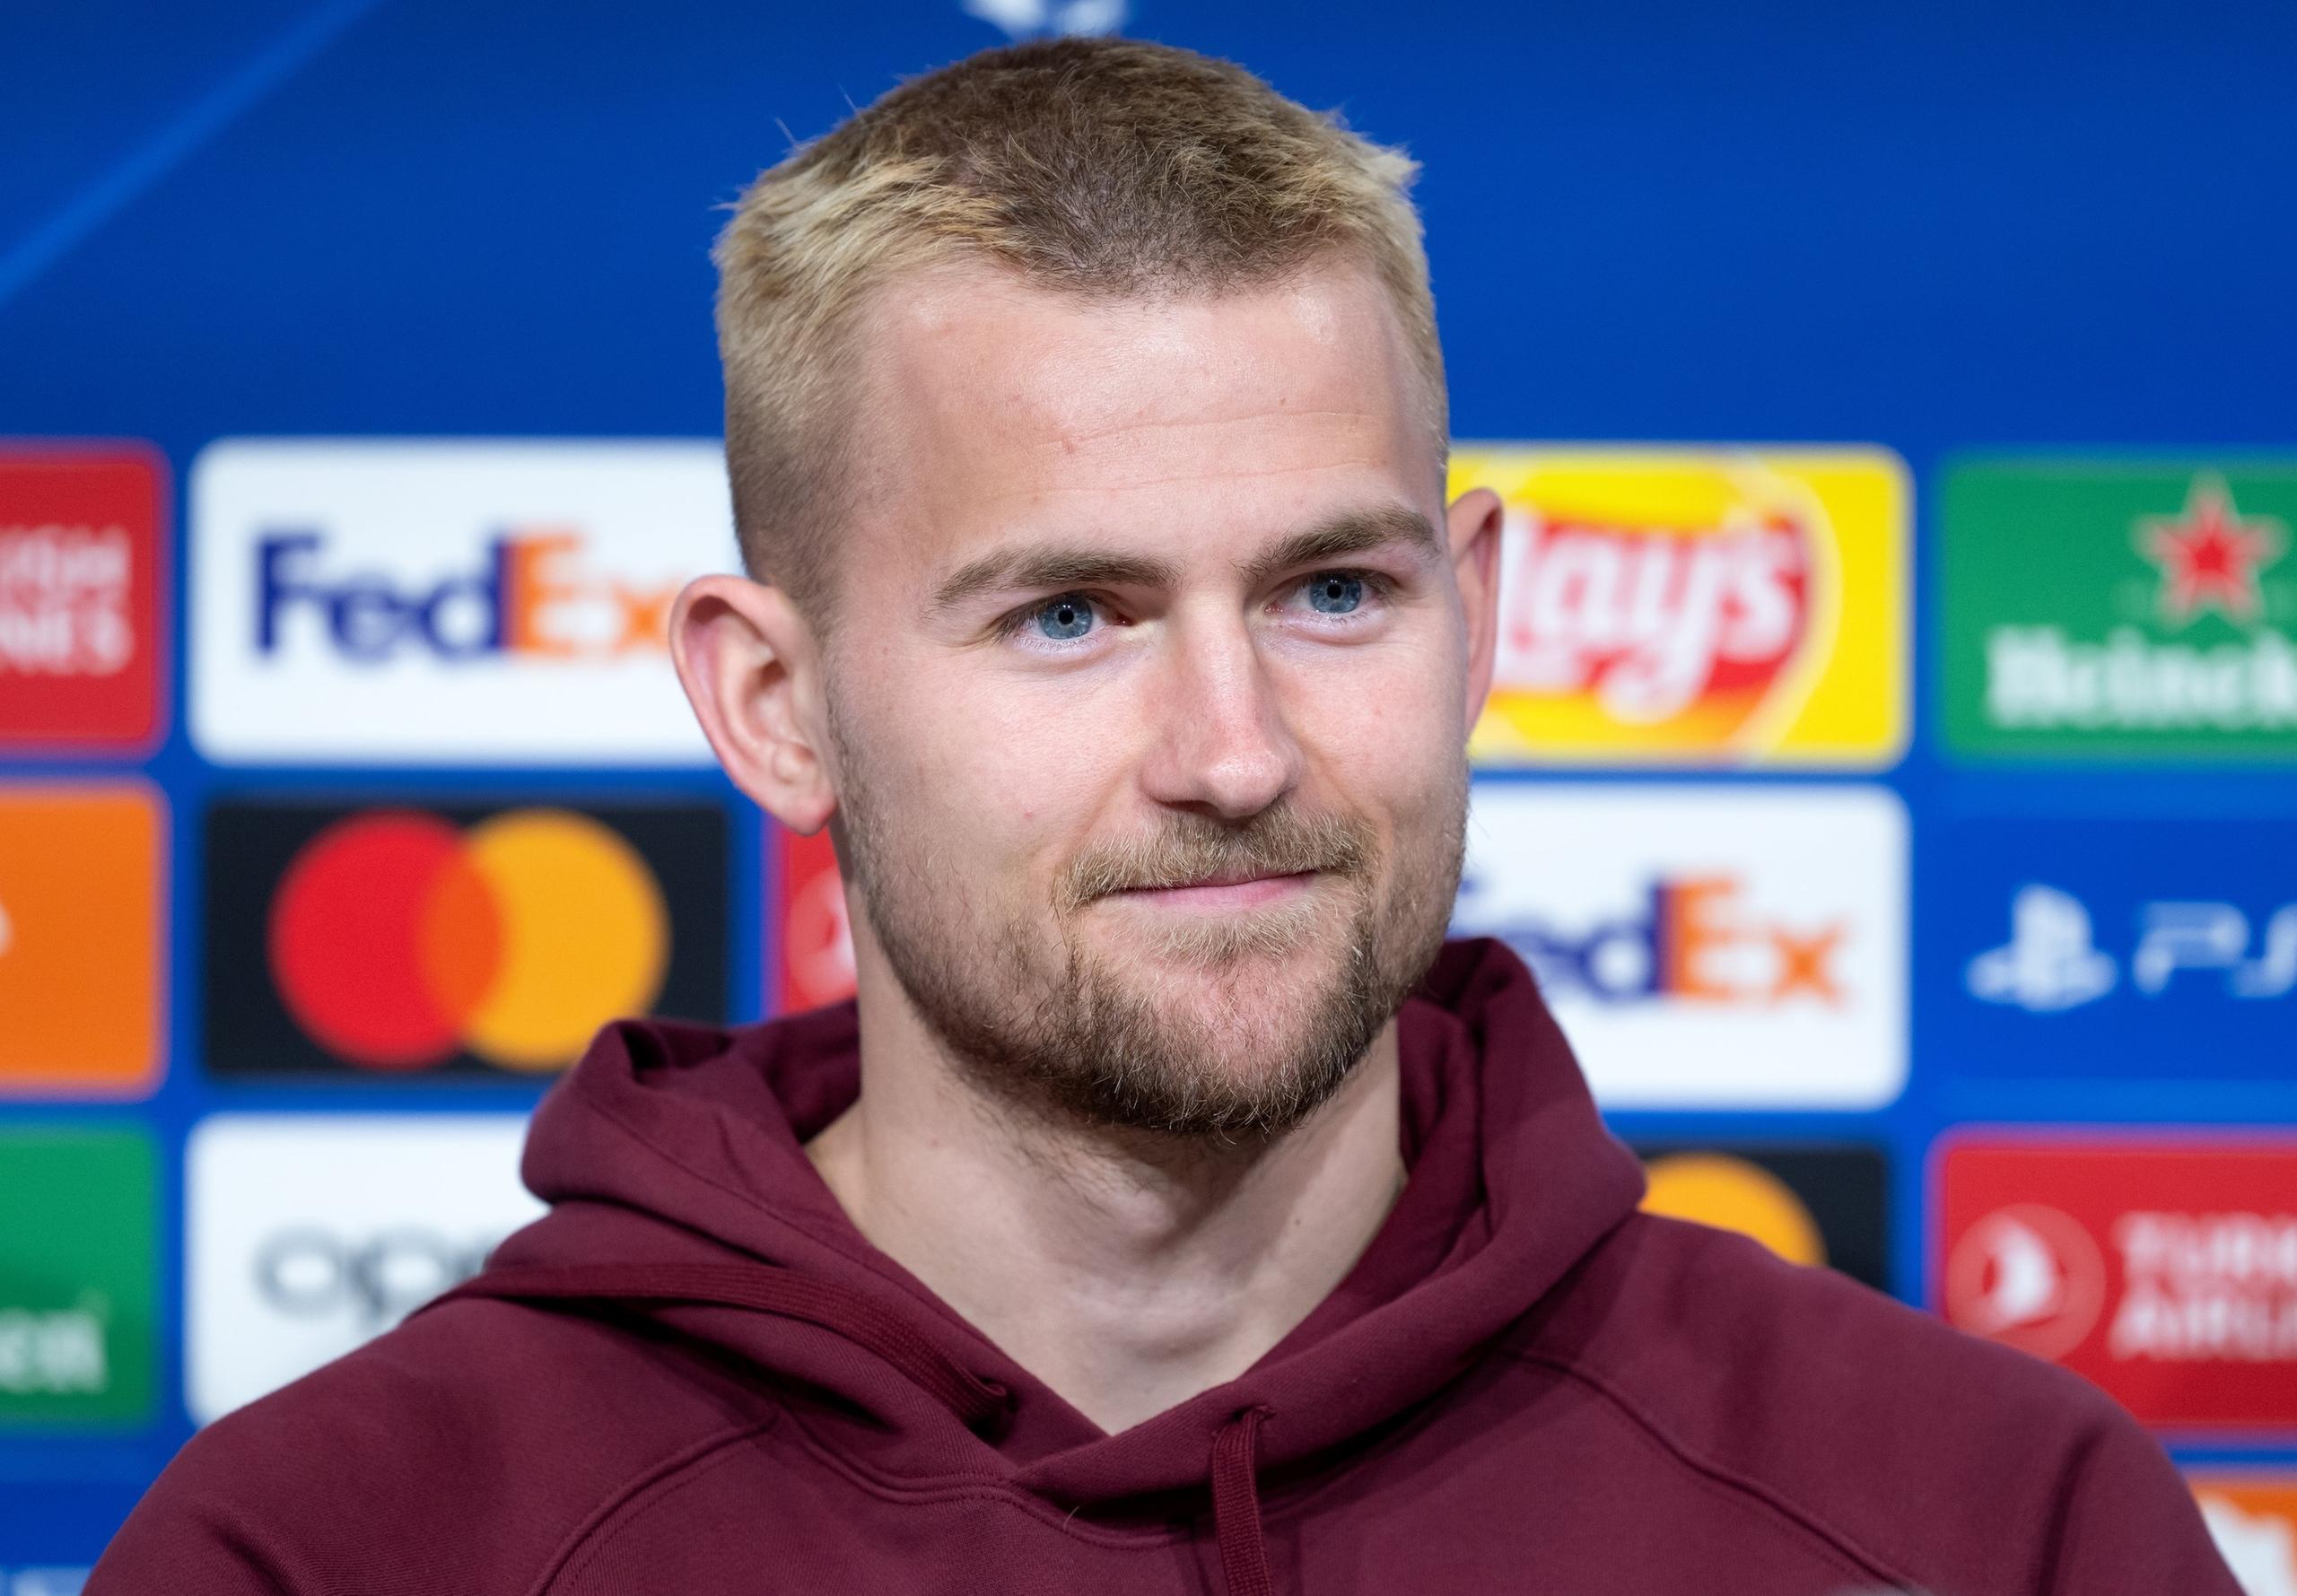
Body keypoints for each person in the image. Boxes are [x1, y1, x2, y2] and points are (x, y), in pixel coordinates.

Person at [94, 37, 2238, 1595]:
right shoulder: (338, 1547)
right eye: (1066, 615)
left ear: (1474, 616)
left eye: (1330, 591)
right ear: (776, 701)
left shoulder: (1993, 1523)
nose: (1231, 748)